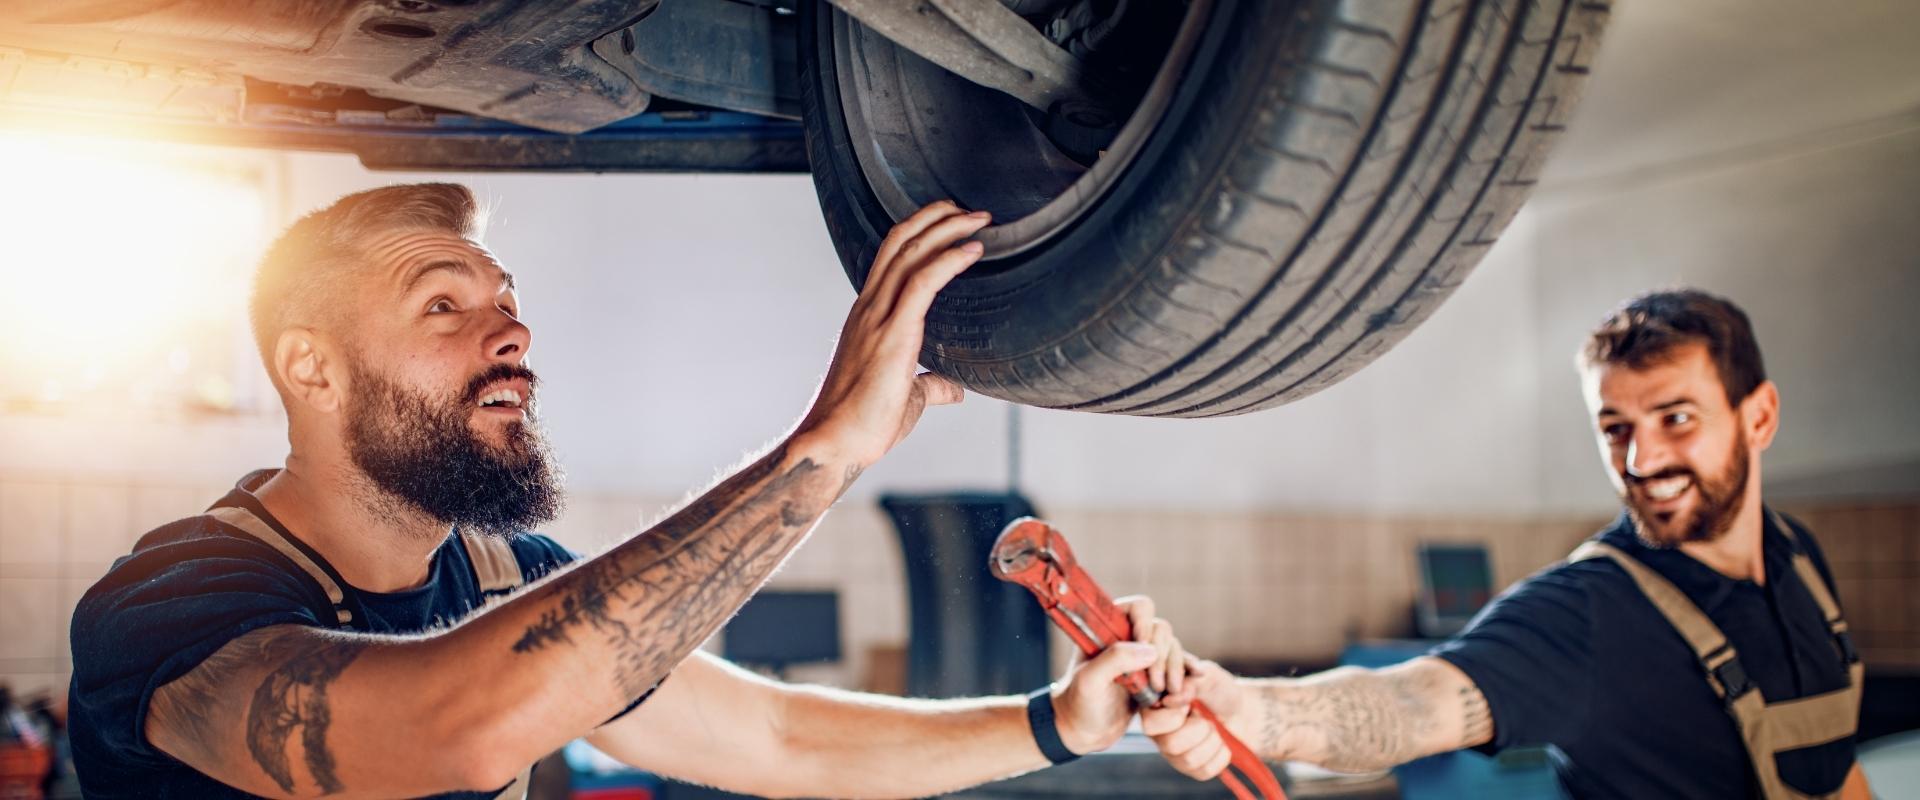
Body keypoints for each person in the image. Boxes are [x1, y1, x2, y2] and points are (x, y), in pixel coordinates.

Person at [67, 184, 1189, 799]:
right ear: (311, 369)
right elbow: (455, 726)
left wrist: (1053, 722)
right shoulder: (176, 601)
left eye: (507, 301)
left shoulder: (507, 581)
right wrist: (825, 451)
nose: (511, 334)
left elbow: (782, 737)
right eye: (443, 306)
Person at [1142, 290, 1872, 799]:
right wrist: (1251, 710)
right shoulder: (1589, 611)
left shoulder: (1797, 557)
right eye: (1615, 428)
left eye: (1675, 418)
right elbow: (1415, 702)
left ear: (1760, 417)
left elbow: (1833, 776)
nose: (1641, 462)